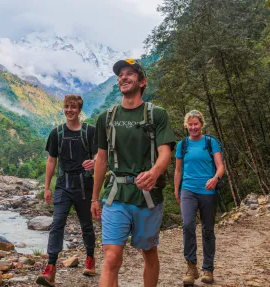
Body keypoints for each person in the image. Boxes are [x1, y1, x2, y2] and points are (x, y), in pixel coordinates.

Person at [91, 59, 175, 287]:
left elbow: (164, 152)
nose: (123, 77)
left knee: (148, 252)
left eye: (129, 73)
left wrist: (155, 172)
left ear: (142, 81)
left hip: (147, 196)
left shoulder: (156, 114)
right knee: (111, 257)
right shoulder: (106, 118)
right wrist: (94, 197)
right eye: (120, 74)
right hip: (116, 194)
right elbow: (101, 159)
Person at [36, 94, 97, 287]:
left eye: (73, 107)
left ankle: (90, 258)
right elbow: (51, 160)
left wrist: (94, 162)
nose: (69, 110)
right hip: (63, 184)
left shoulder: (90, 132)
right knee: (57, 224)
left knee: (86, 225)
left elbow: (100, 155)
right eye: (66, 107)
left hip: (84, 185)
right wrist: (47, 187)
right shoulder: (57, 133)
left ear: (79, 110)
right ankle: (51, 268)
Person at [174, 110, 225, 285]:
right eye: (190, 124)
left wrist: (215, 178)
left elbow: (220, 166)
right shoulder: (183, 144)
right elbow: (178, 169)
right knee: (187, 225)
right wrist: (177, 189)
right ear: (186, 125)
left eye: (196, 124)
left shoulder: (211, 142)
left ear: (201, 124)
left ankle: (208, 269)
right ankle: (191, 266)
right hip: (188, 189)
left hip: (208, 191)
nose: (193, 127)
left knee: (208, 230)